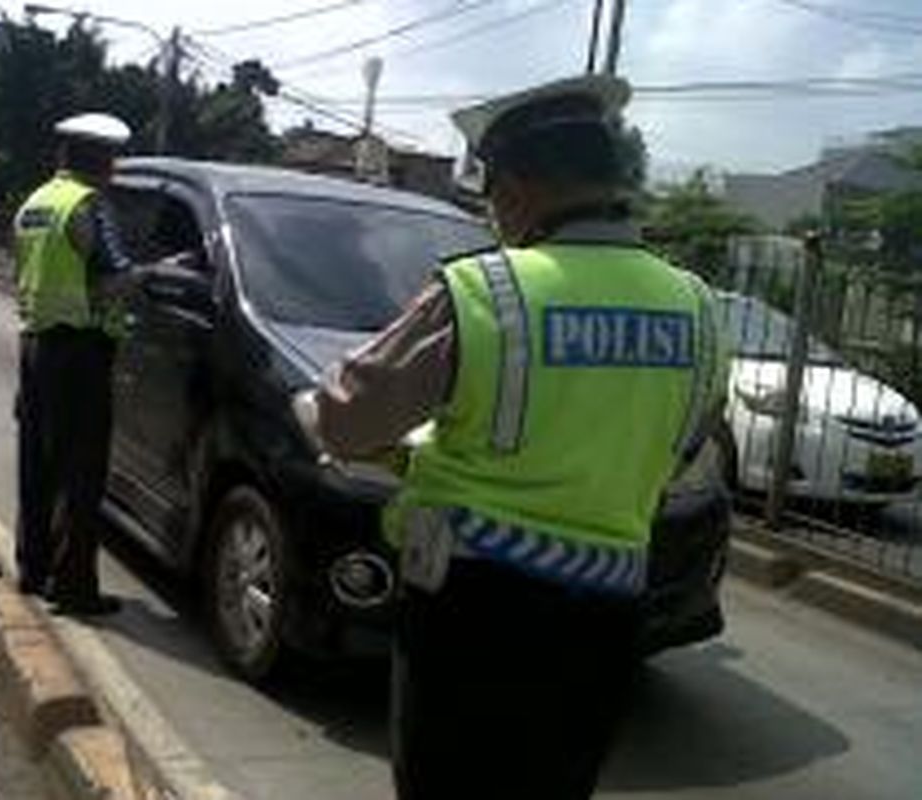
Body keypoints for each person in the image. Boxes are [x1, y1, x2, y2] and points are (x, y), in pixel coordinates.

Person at [294, 75, 729, 799]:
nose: (493, 211)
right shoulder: (699, 309)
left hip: (475, 607)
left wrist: (366, 436)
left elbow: (345, 421)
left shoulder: (484, 291)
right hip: (610, 613)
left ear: (522, 188)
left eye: (492, 190)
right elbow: (676, 449)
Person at [14, 113, 134, 616]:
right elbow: (114, 276)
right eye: (111, 160)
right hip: (81, 350)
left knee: (36, 465)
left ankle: (33, 569)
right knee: (80, 473)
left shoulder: (36, 202)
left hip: (35, 344)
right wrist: (160, 272)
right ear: (103, 162)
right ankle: (74, 587)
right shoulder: (89, 205)